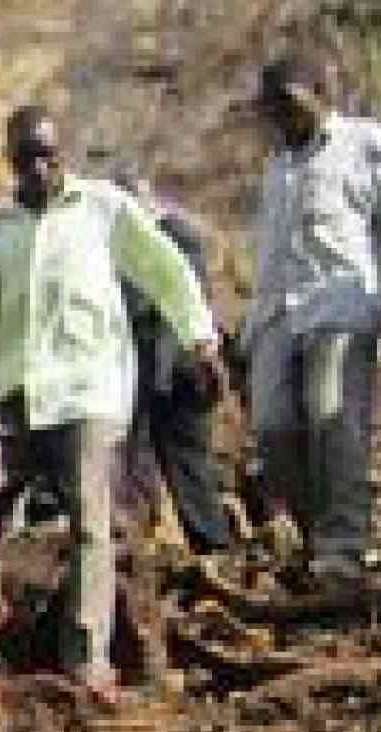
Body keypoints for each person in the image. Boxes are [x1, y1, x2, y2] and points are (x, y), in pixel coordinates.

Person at [0, 105, 223, 704]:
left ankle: (87, 658)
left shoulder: (103, 210)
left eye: (48, 155)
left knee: (91, 520)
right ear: (9, 161)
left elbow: (164, 269)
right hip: (14, 392)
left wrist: (199, 336)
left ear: (65, 154)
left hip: (88, 388)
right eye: (26, 157)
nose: (38, 168)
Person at [246, 53, 381, 583]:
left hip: (339, 305)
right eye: (271, 110)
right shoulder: (278, 165)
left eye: (288, 103)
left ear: (319, 92)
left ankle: (343, 544)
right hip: (277, 315)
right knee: (271, 427)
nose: (279, 118)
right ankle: (315, 535)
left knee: (333, 415)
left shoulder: (365, 145)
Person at [120, 193, 236, 558]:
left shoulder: (152, 241)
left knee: (143, 460)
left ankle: (200, 549)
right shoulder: (180, 235)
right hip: (179, 367)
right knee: (186, 467)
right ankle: (211, 549)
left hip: (167, 370)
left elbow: (147, 308)